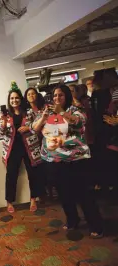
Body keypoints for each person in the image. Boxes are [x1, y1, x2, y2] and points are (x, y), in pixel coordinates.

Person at [33, 84, 103, 238]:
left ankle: (95, 224)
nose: (57, 98)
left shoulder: (75, 110)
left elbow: (79, 122)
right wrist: (44, 117)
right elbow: (35, 128)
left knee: (84, 193)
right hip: (54, 160)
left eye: (61, 95)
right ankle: (73, 220)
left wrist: (62, 113)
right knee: (64, 194)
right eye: (55, 96)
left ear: (67, 97)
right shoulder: (48, 111)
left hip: (76, 159)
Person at [0, 82, 45, 213]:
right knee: (11, 175)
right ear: (9, 100)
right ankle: (9, 201)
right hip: (12, 148)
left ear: (21, 99)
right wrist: (3, 123)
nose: (14, 100)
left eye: (17, 98)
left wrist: (28, 127)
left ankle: (33, 199)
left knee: (33, 173)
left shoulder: (29, 113)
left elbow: (37, 127)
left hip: (29, 147)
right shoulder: (5, 115)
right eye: (12, 98)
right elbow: (2, 133)